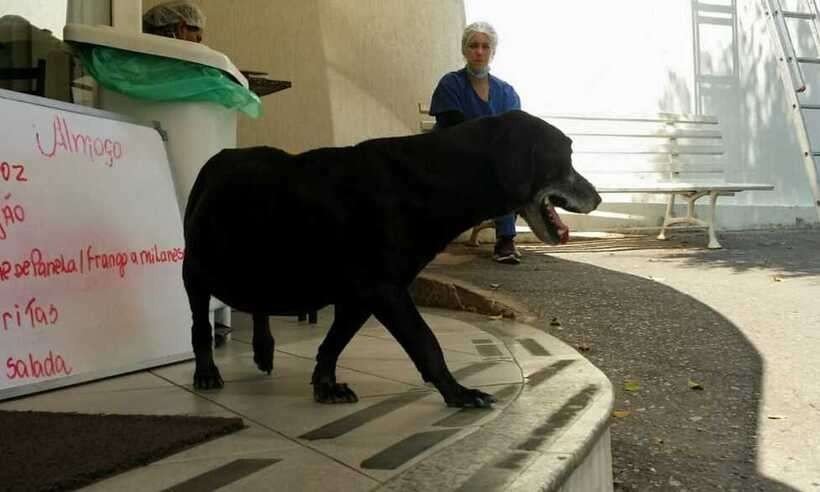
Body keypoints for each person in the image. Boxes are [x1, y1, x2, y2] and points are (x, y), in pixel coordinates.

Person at [429, 21, 568, 264]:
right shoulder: (451, 84)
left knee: (510, 172)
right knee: (499, 171)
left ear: (493, 51)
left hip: (493, 160)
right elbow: (452, 127)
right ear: (464, 50)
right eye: (473, 46)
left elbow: (515, 131)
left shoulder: (506, 91)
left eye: (485, 46)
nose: (479, 51)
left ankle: (507, 239)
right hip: (456, 157)